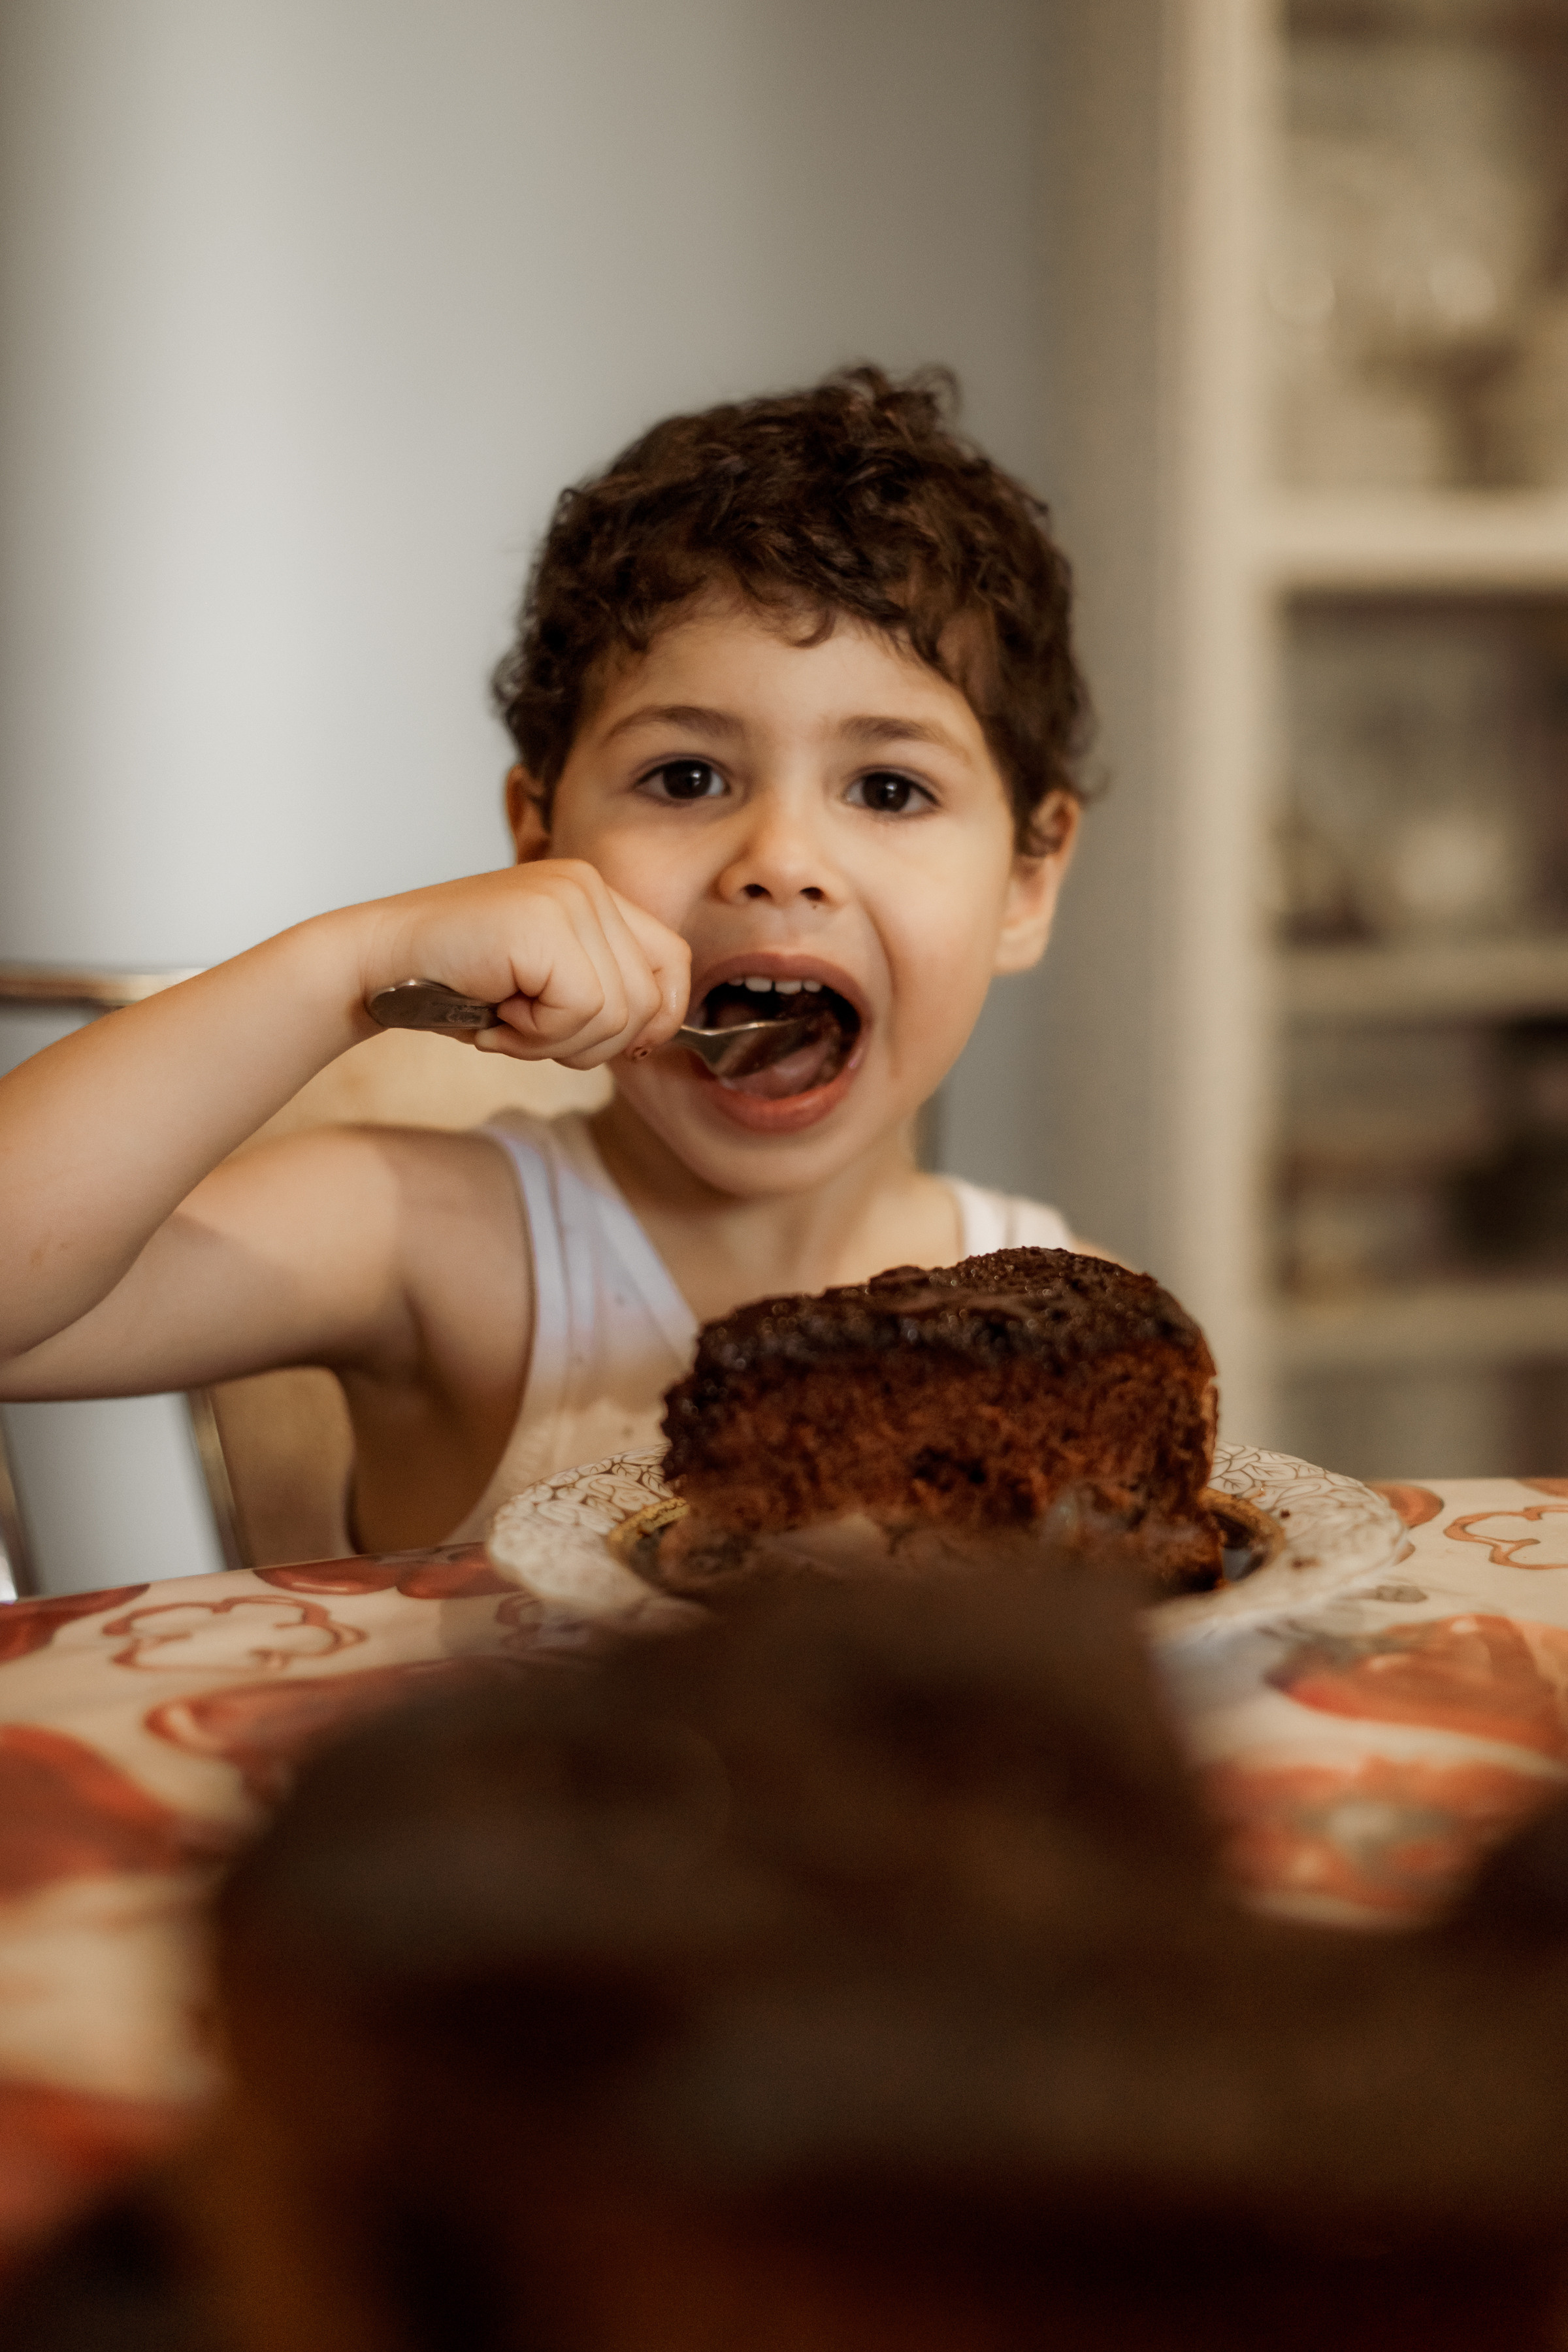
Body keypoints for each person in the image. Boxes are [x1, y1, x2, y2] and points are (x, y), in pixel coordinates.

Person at [0, 367, 1090, 1553]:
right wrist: (343, 967)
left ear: (1028, 881)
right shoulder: (445, 1246)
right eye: (686, 777)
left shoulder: (1064, 1319)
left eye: (889, 788)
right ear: (539, 842)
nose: (780, 860)